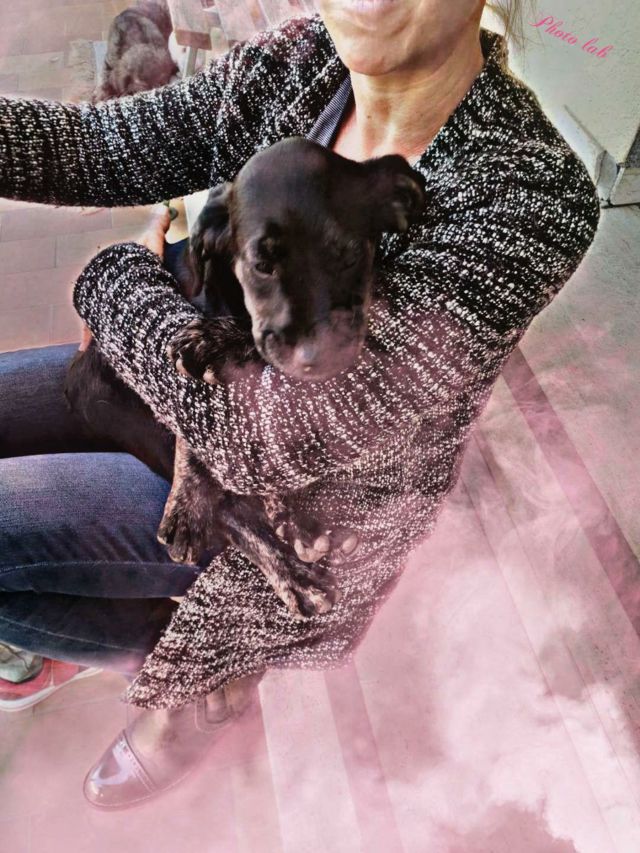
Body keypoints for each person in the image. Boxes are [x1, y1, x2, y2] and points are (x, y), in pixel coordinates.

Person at [0, 0, 600, 809]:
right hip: (177, 382)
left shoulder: (526, 190)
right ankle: (97, 604)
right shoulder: (302, 60)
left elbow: (269, 440)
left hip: (299, 517)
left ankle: (190, 671)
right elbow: (94, 146)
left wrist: (117, 280)